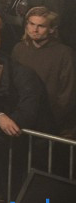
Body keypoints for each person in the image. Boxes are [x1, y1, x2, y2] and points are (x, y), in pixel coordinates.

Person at [10, 7, 76, 137]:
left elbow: (68, 94)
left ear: (51, 29)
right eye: (31, 24)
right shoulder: (19, 49)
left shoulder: (65, 53)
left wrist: (52, 120)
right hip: (23, 119)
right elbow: (12, 83)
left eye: (41, 26)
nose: (34, 30)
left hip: (54, 123)